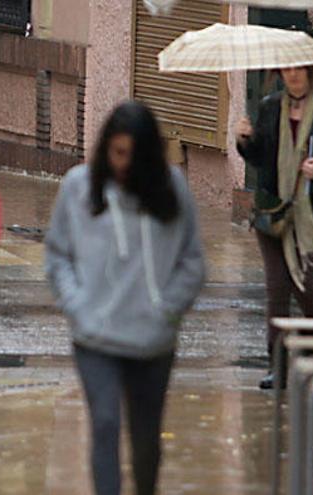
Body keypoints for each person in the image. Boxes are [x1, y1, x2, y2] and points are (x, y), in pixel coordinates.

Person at [45, 101, 205, 495]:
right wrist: (79, 307)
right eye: (116, 153)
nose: (123, 164)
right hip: (95, 337)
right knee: (104, 424)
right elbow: (57, 256)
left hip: (153, 340)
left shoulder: (173, 190)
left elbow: (193, 261)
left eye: (133, 156)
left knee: (146, 437)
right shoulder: (78, 187)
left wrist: (167, 311)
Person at [236, 66, 313, 389]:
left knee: (305, 287)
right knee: (277, 288)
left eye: (299, 70)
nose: (293, 76)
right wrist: (245, 141)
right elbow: (259, 159)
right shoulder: (269, 107)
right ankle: (277, 366)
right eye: (287, 70)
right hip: (273, 211)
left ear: (310, 72)